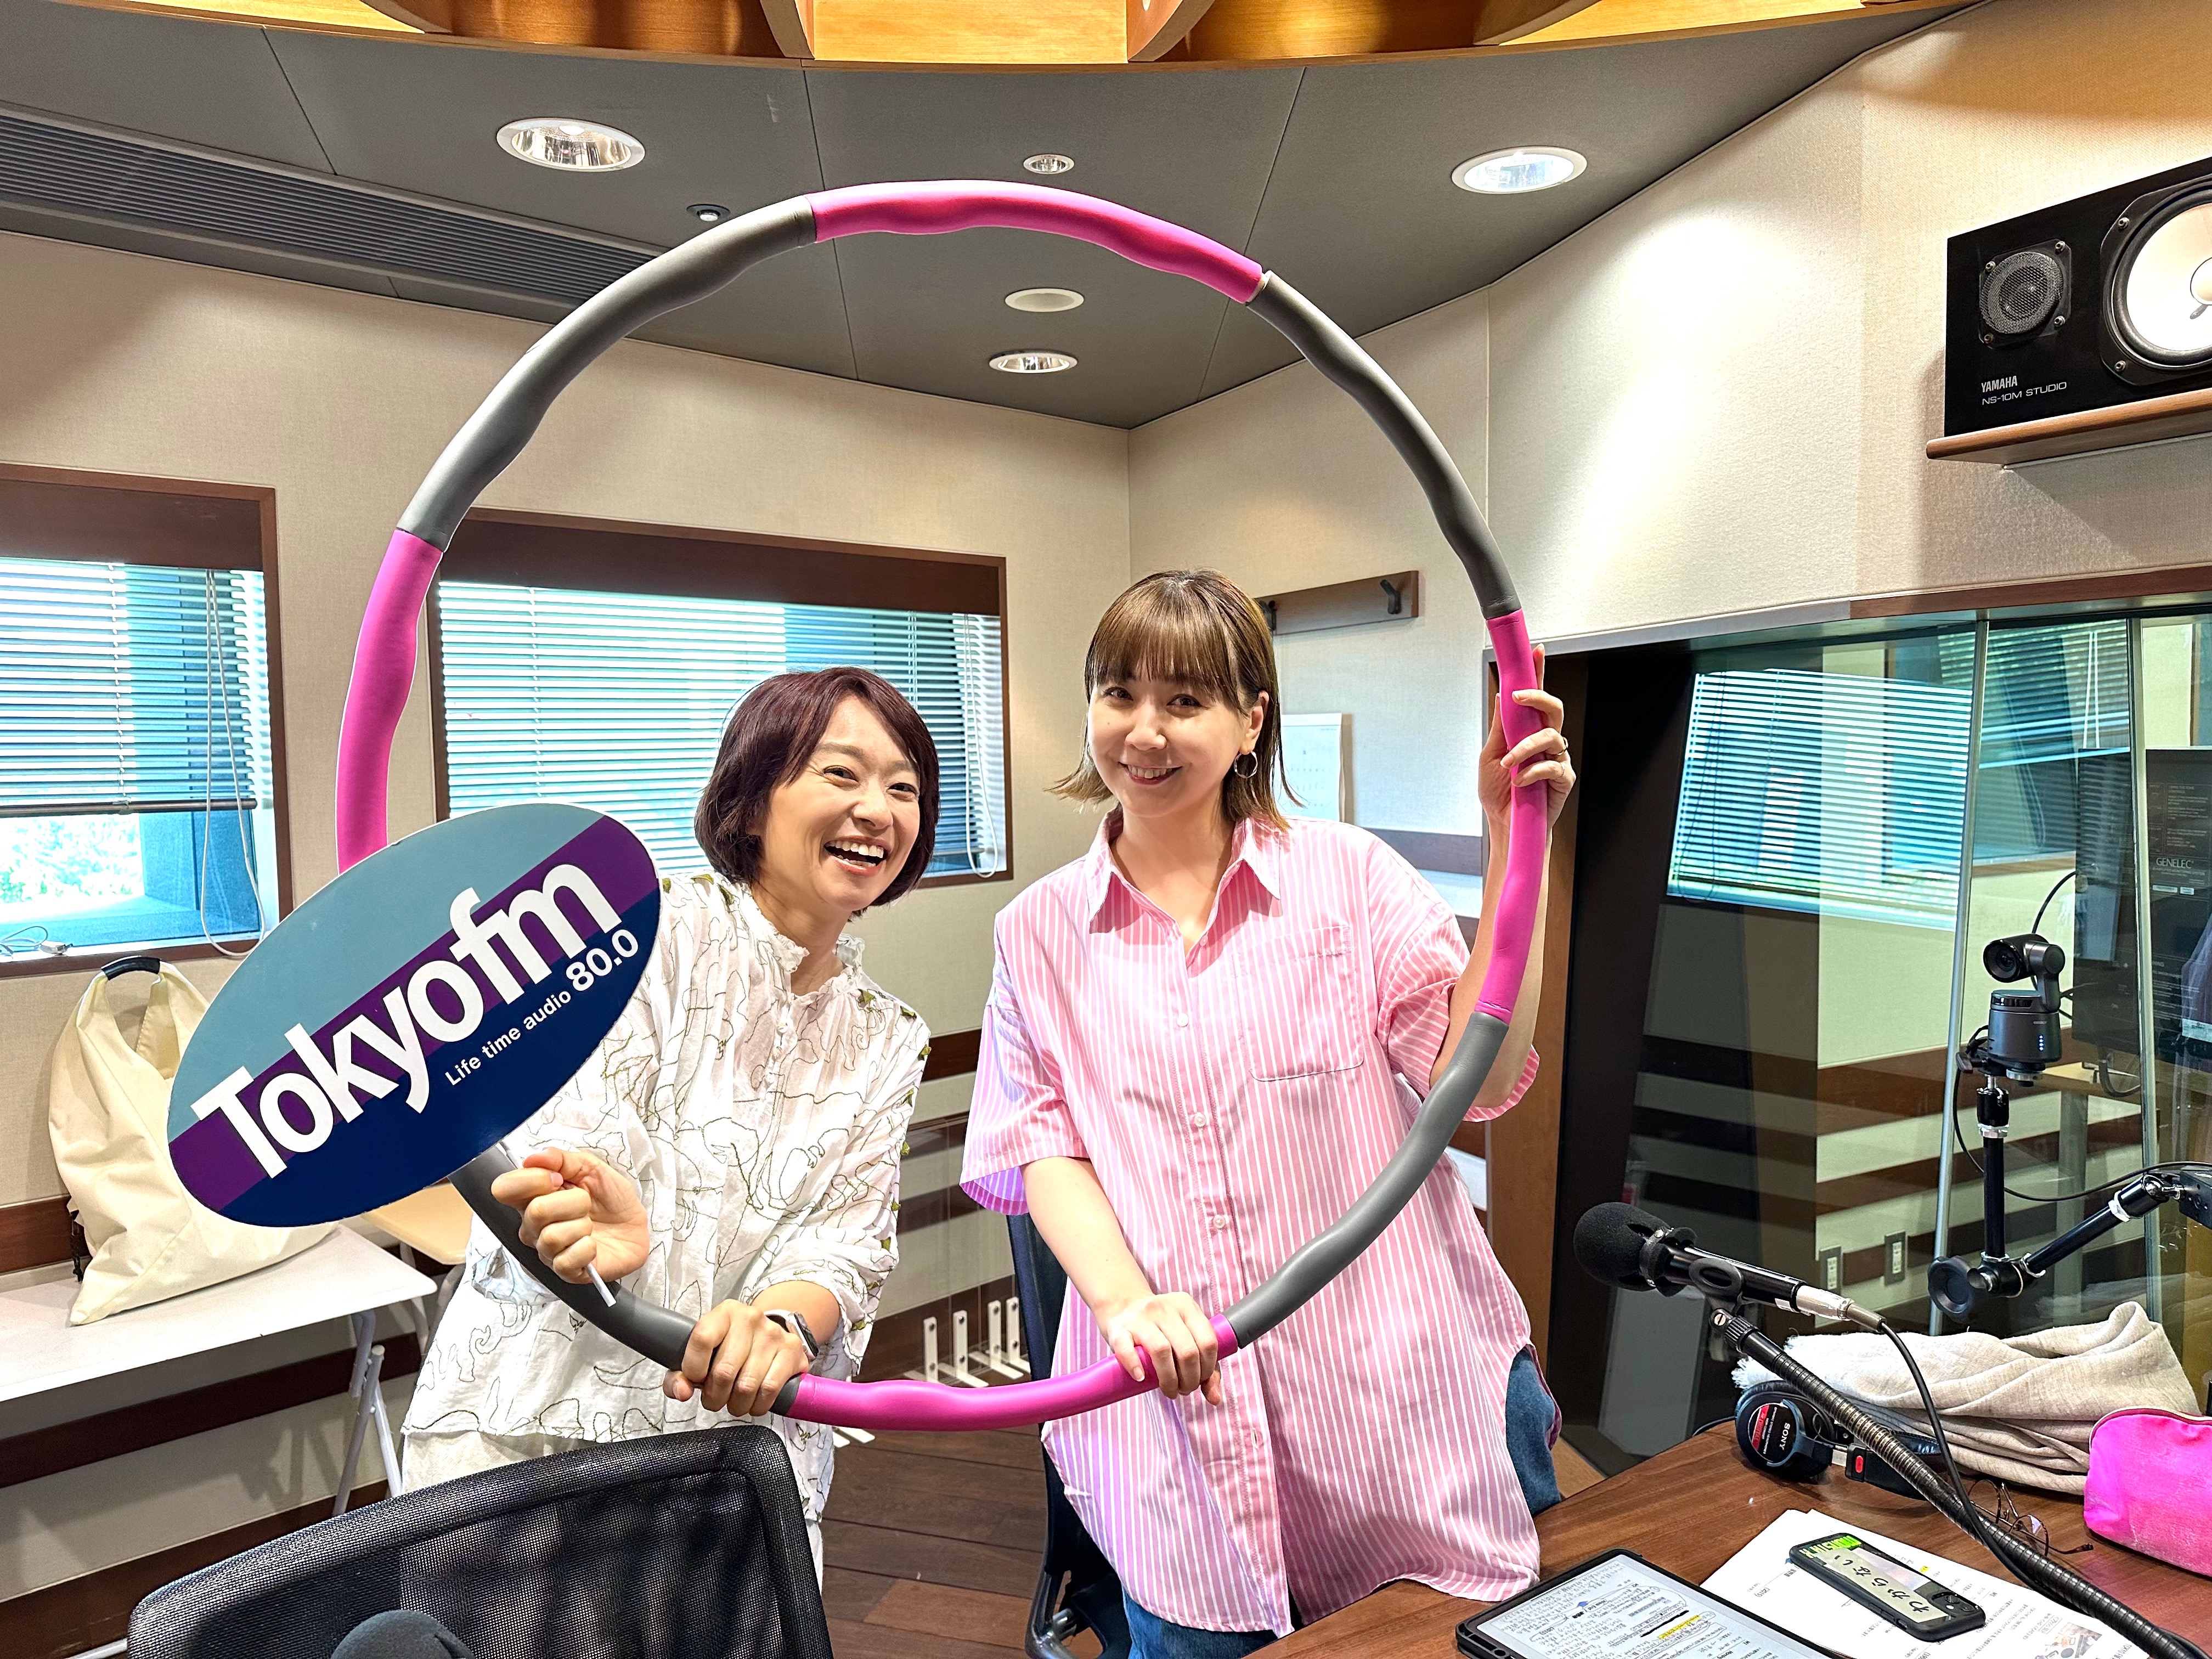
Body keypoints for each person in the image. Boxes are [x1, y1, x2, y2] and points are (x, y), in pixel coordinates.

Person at [961, 570, 1575, 1657]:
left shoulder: (1350, 880)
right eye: (1119, 693)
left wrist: (1513, 840)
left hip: (1403, 1408)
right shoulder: (1038, 933)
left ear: (1251, 722)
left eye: (1185, 701)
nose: (1144, 732)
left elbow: (1476, 1083)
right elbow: (1046, 1146)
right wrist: (1128, 1306)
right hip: (1179, 1438)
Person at [403, 667, 939, 1572]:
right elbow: (567, 1129)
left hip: (733, 1469)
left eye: (904, 788)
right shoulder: (642, 930)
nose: (876, 810)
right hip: (536, 1433)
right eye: (841, 774)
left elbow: (846, 1244)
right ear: (753, 800)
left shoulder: (890, 1036)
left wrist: (781, 1326)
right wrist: (593, 1207)